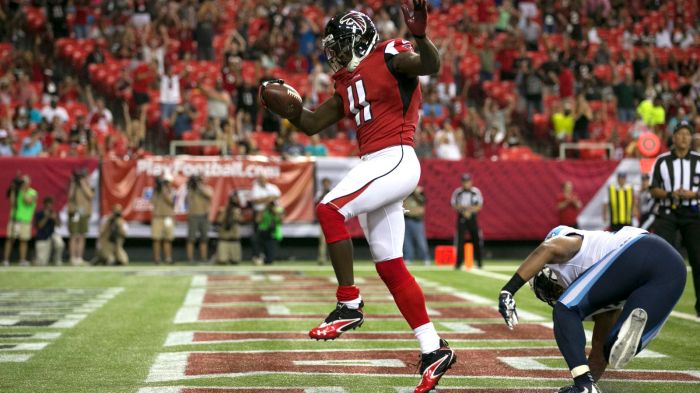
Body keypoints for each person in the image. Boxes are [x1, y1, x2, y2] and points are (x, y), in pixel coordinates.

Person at [258, 3, 455, 392]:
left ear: (362, 39)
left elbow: (430, 65)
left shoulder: (390, 54)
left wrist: (419, 35)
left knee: (329, 209)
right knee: (390, 266)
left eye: (342, 45)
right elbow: (312, 124)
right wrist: (289, 111)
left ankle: (349, 303)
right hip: (378, 163)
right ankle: (433, 348)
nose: (337, 53)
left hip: (395, 156)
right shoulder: (347, 81)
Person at [498, 225, 686, 393]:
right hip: (673, 272)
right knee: (609, 347)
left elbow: (548, 248)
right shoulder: (605, 289)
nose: (552, 293)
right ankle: (596, 373)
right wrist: (589, 381)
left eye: (547, 286)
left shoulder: (569, 245)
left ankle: (584, 383)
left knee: (565, 309)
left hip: (639, 249)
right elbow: (597, 352)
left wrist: (508, 290)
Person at [649, 121, 700, 317]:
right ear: (674, 137)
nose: (684, 137)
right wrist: (671, 194)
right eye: (680, 133)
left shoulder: (698, 160)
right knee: (662, 258)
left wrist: (693, 195)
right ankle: (658, 304)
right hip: (668, 212)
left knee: (698, 259)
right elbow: (653, 189)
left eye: (688, 134)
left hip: (692, 212)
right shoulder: (662, 161)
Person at [450, 173, 484, 269]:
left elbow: (479, 205)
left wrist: (469, 210)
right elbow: (454, 204)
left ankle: (479, 262)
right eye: (464, 182)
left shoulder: (475, 192)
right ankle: (458, 263)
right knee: (460, 240)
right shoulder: (458, 192)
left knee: (476, 239)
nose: (466, 184)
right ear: (462, 182)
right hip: (461, 217)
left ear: (471, 182)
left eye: (468, 181)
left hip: (472, 217)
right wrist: (463, 211)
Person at [3, 175, 37, 266]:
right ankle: (6, 260)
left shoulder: (32, 192)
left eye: (26, 182)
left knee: (24, 240)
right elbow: (13, 204)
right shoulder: (18, 192)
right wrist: (13, 190)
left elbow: (28, 201)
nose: (24, 184)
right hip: (15, 219)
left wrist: (22, 190)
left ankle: (22, 260)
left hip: (25, 220)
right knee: (10, 239)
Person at [249, 175, 281, 265]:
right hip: (260, 213)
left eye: (263, 179)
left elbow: (276, 197)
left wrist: (264, 201)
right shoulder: (255, 188)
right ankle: (258, 256)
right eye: (260, 179)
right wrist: (268, 199)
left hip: (271, 214)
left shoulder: (272, 187)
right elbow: (256, 201)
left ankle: (269, 256)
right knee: (257, 238)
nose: (262, 181)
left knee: (271, 238)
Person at [67, 168, 94, 266]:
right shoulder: (73, 185)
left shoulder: (87, 186)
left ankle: (79, 258)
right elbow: (70, 196)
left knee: (82, 236)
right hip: (75, 213)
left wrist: (83, 184)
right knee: (74, 235)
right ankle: (72, 257)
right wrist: (74, 184)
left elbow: (90, 196)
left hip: (84, 213)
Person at [186, 175, 213, 263]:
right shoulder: (191, 190)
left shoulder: (207, 188)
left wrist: (199, 187)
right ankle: (190, 258)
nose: (199, 182)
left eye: (200, 180)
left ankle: (204, 258)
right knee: (191, 238)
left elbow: (209, 195)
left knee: (204, 239)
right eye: (198, 181)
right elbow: (187, 200)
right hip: (193, 216)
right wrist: (193, 186)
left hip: (204, 216)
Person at [151, 173, 175, 264]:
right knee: (156, 239)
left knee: (167, 239)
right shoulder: (156, 191)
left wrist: (163, 190)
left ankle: (168, 258)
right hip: (157, 217)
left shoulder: (171, 191)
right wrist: (157, 190)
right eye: (165, 182)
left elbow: (170, 201)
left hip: (168, 217)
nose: (166, 183)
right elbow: (152, 202)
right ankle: (157, 258)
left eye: (167, 182)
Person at [403, 186, 430, 265]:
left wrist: (415, 192)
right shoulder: (406, 192)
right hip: (406, 219)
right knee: (406, 241)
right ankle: (408, 258)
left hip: (417, 220)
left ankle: (425, 258)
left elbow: (422, 201)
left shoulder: (420, 192)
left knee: (420, 241)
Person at [34, 197, 64, 266]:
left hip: (52, 234)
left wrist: (55, 219)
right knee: (42, 263)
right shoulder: (39, 213)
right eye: (48, 205)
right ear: (44, 205)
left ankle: (57, 260)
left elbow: (59, 225)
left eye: (51, 205)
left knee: (60, 243)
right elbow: (39, 226)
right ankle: (36, 259)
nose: (49, 207)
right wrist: (46, 217)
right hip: (42, 237)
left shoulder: (54, 213)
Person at [215, 192, 242, 265]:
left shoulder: (238, 211)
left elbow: (241, 221)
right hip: (224, 240)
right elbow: (218, 221)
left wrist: (236, 215)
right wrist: (225, 212)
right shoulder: (223, 210)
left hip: (234, 240)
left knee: (235, 261)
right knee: (222, 261)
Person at [315, 178, 333, 265]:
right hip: (324, 219)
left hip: (332, 219)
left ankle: (334, 258)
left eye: (327, 183)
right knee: (322, 241)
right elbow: (317, 202)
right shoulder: (319, 193)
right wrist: (323, 193)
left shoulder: (333, 192)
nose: (326, 185)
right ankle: (322, 258)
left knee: (333, 239)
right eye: (324, 183)